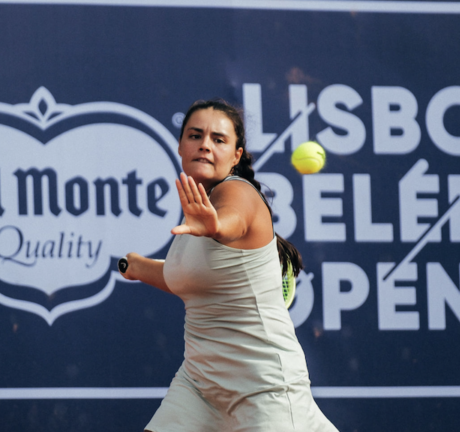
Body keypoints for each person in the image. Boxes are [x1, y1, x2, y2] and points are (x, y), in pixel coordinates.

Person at [121, 99, 338, 432]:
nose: (205, 145)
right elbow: (183, 277)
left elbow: (231, 221)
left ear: (236, 155)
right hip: (200, 384)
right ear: (180, 146)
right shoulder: (195, 214)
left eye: (218, 139)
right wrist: (136, 266)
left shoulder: (239, 194)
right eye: (195, 135)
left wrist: (216, 226)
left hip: (265, 386)